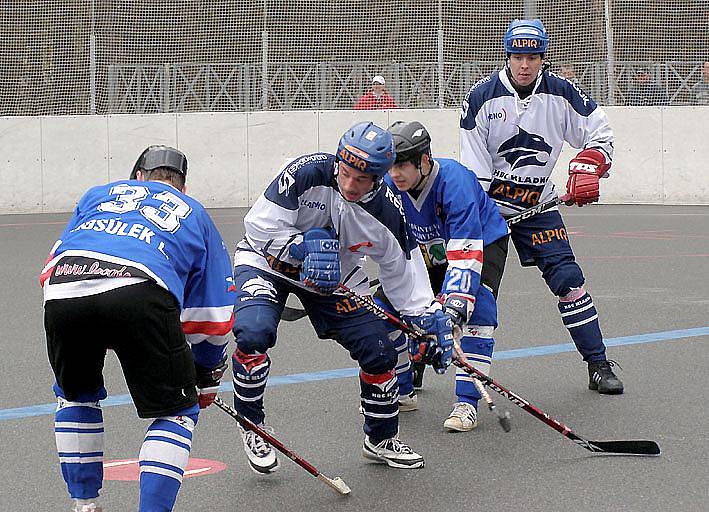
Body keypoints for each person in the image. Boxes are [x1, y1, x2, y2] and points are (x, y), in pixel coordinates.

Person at [231, 121, 454, 471]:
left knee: (379, 349)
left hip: (335, 278)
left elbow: (404, 272)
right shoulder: (305, 172)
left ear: (378, 178)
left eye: (362, 179)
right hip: (267, 262)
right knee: (253, 331)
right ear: (339, 160)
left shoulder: (387, 212)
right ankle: (252, 425)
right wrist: (300, 247)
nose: (350, 185)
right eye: (346, 173)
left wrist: (426, 318)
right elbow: (258, 225)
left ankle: (380, 439)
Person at [40, 146, 236, 512]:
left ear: (138, 176)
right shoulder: (192, 210)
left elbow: (56, 258)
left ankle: (84, 505)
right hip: (141, 288)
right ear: (182, 185)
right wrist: (205, 374)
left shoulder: (98, 193)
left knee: (75, 396)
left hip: (64, 287)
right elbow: (213, 312)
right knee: (175, 411)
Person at [459, 19, 624, 395]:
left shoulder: (562, 93)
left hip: (539, 205)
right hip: (488, 209)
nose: (524, 64)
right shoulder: (481, 97)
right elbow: (473, 168)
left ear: (543, 58)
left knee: (569, 281)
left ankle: (597, 364)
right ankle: (423, 364)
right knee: (470, 292)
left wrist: (591, 162)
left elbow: (601, 132)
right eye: (517, 55)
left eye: (532, 56)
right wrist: (483, 217)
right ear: (507, 56)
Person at [382, 120, 510, 432]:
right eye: (390, 165)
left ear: (424, 161)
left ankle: (467, 403)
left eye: (402, 165)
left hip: (482, 243)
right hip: (426, 250)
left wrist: (453, 311)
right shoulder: (388, 186)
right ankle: (403, 387)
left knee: (477, 311)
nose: (394, 173)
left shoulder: (455, 181)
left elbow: (466, 254)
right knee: (388, 309)